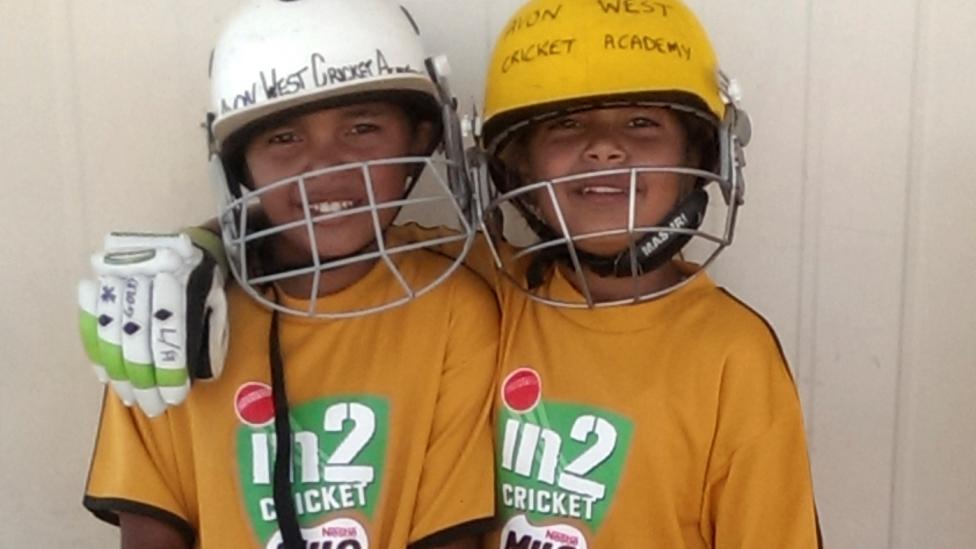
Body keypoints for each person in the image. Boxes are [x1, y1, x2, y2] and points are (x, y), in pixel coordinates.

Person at [82, 0, 821, 546]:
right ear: (509, 163)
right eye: (568, 126)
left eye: (640, 124)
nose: (604, 152)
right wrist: (197, 251)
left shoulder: (469, 292)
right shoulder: (481, 283)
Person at [80, 1, 498, 548]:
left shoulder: (454, 307)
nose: (326, 165)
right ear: (238, 166)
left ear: (421, 141)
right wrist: (202, 250)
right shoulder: (170, 311)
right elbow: (152, 528)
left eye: (363, 128)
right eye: (283, 139)